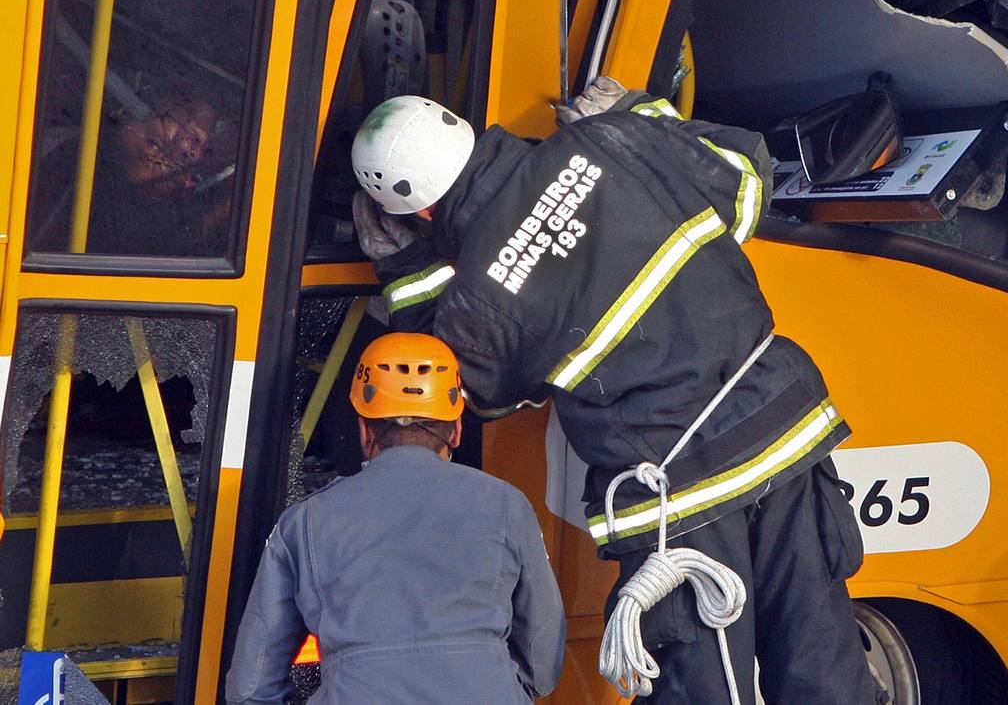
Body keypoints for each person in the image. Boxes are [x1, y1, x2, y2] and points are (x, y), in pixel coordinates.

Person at [351, 79, 876, 704]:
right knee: (825, 667)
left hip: (677, 498)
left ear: (421, 213)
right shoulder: (613, 139)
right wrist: (640, 112)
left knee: (706, 690)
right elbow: (748, 182)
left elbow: (463, 391)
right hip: (780, 433)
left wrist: (409, 274)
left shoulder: (479, 302)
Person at [225, 332, 565, 704]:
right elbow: (542, 648)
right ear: (455, 429)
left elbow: (251, 685)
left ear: (365, 430)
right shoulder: (507, 504)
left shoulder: (303, 522)